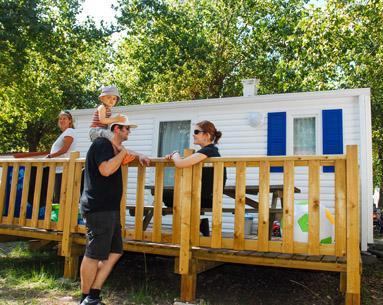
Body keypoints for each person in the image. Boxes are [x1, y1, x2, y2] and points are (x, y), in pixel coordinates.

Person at [79, 115, 150, 305]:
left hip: (109, 208)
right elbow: (106, 170)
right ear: (116, 129)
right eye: (126, 128)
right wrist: (123, 153)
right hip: (98, 207)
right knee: (94, 254)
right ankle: (85, 298)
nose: (129, 132)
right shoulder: (102, 144)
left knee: (115, 251)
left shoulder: (114, 148)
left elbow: (123, 155)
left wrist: (137, 155)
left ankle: (93, 295)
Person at [165, 120, 227, 236]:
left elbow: (180, 164)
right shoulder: (209, 151)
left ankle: (196, 226)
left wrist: (175, 154)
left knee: (166, 194)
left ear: (207, 135)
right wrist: (176, 157)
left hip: (205, 198)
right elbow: (185, 162)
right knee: (170, 195)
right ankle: (199, 224)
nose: (193, 134)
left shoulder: (208, 151)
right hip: (206, 196)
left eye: (196, 131)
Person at [89, 85, 135, 165]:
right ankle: (123, 152)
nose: (111, 100)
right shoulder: (102, 107)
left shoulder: (108, 110)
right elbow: (102, 120)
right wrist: (116, 119)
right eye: (109, 97)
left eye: (114, 99)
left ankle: (119, 156)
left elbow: (108, 123)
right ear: (102, 98)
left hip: (102, 130)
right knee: (113, 137)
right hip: (96, 130)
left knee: (113, 141)